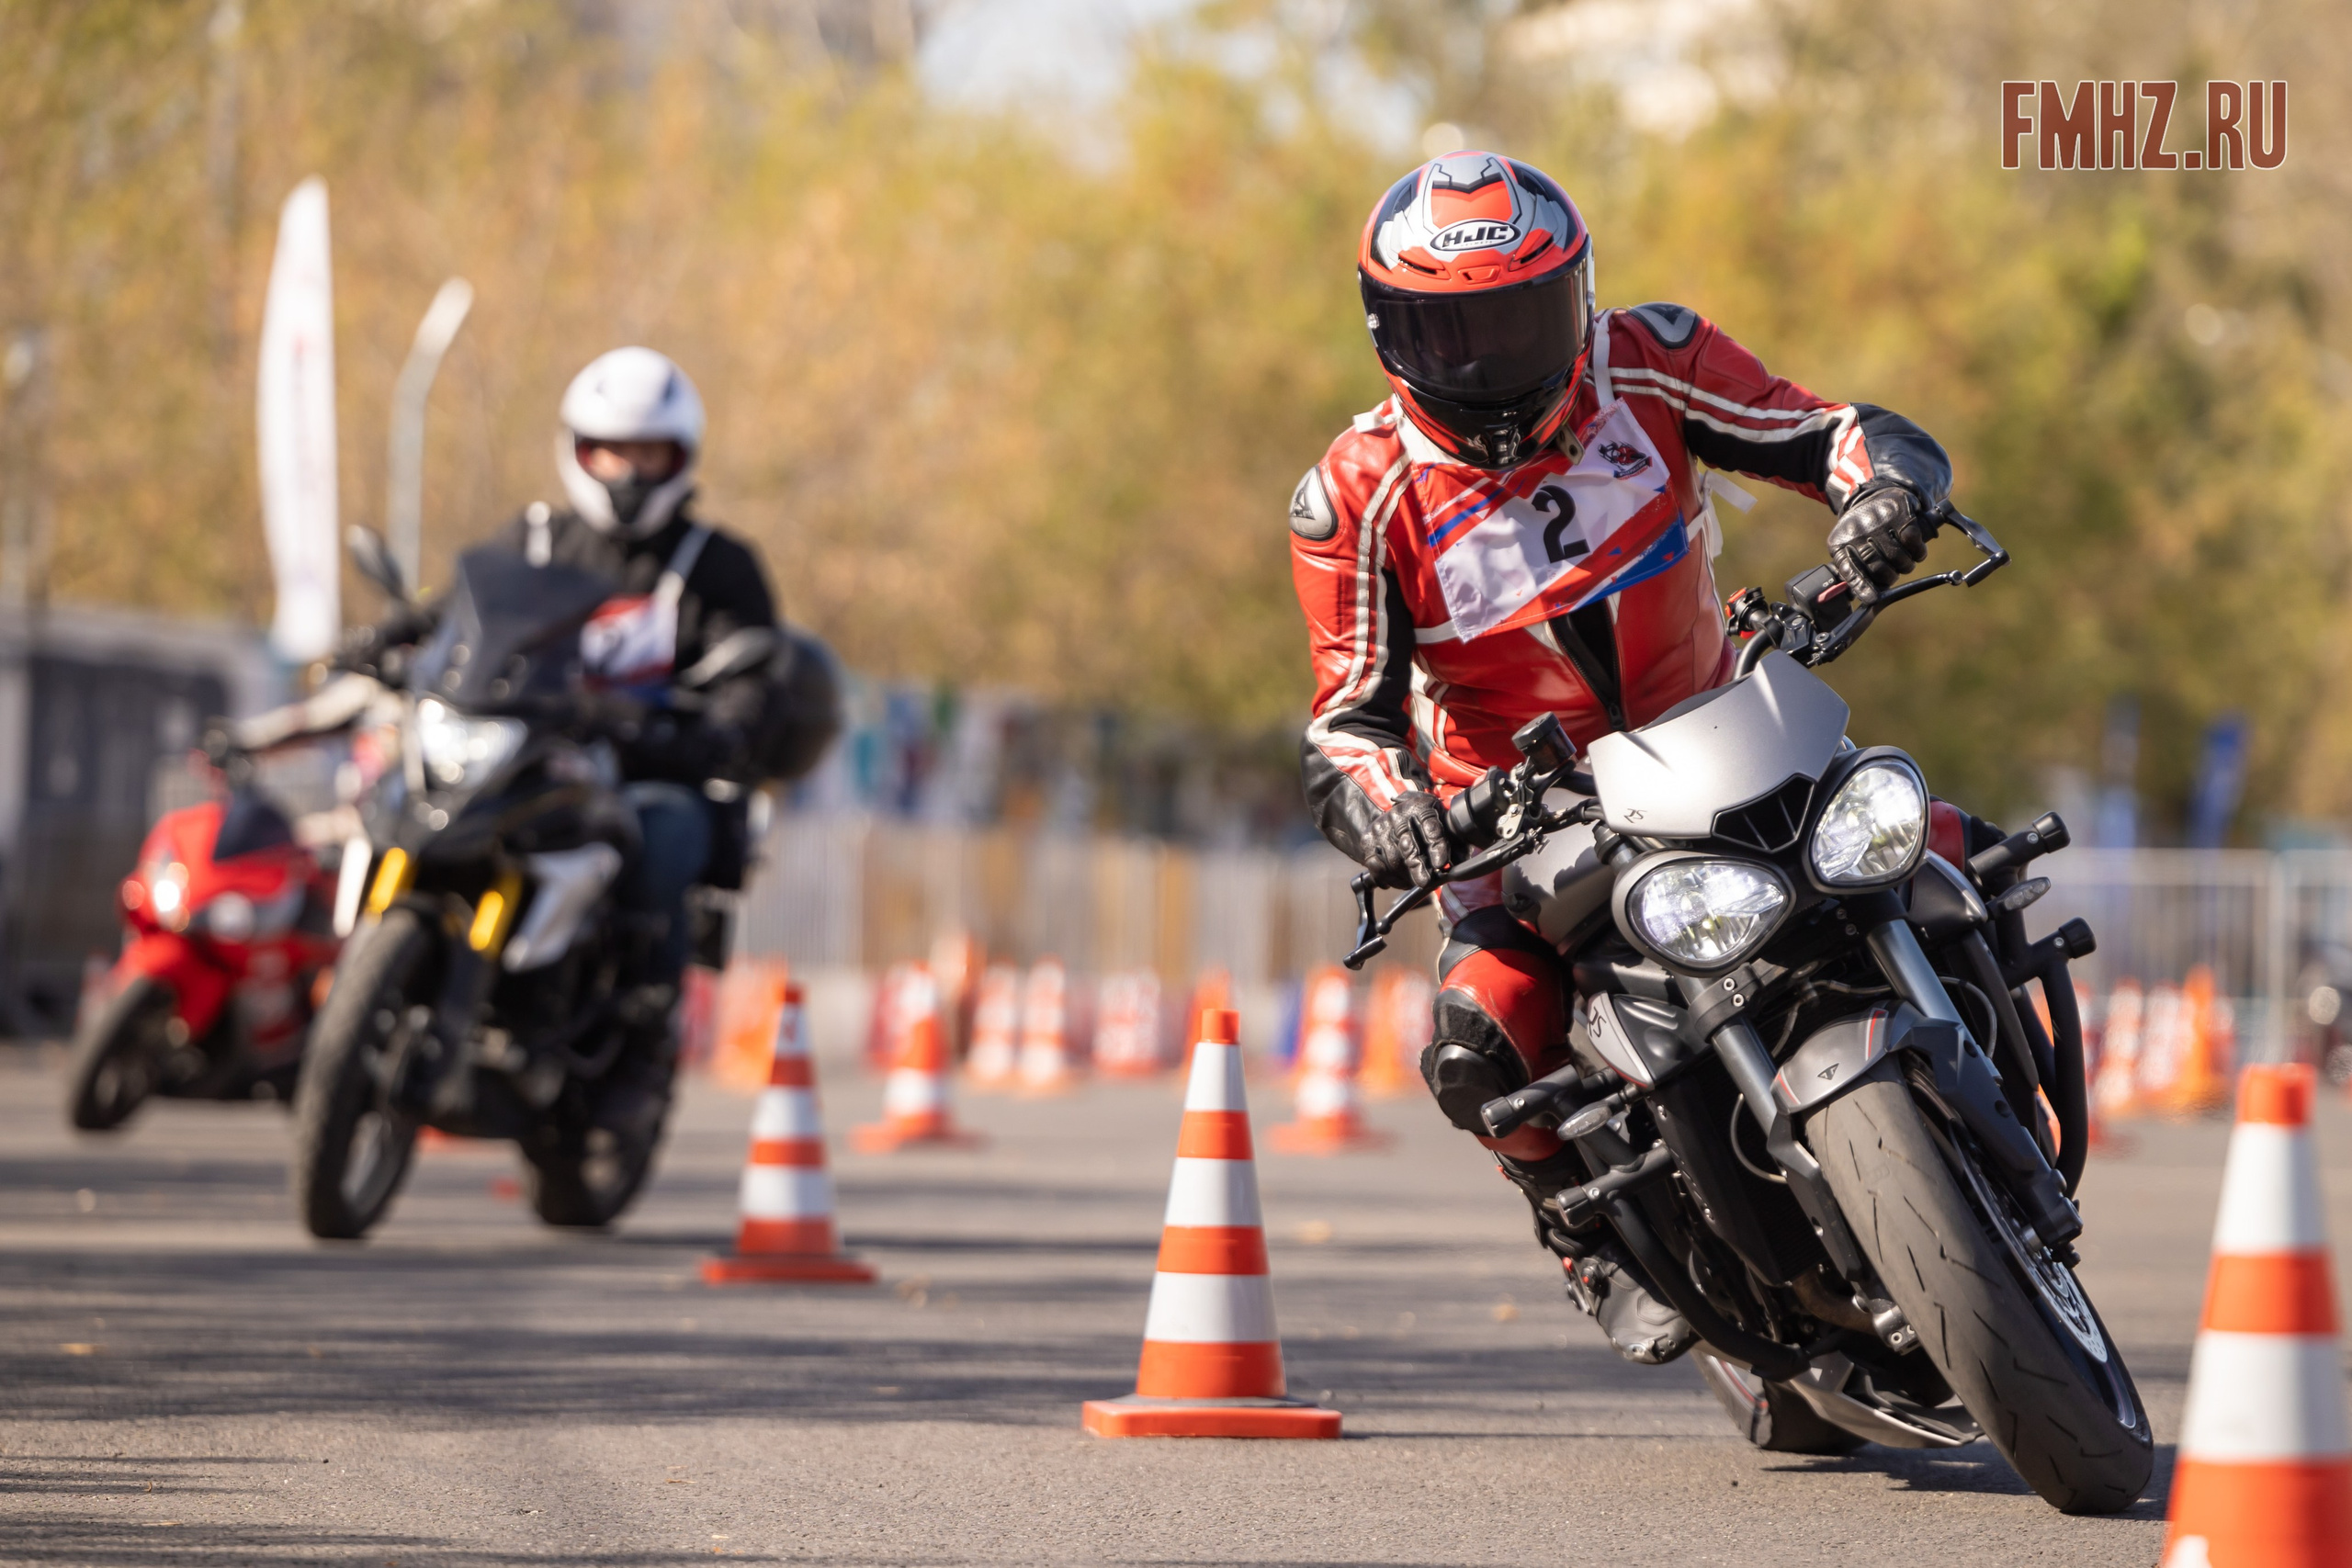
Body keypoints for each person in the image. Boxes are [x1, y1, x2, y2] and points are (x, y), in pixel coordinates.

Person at [1288, 152, 1954, 1364]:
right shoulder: (1357, 495)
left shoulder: (1651, 359)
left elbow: (1824, 431)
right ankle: (1582, 1238)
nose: (1487, 363)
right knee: (1477, 1043)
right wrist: (1398, 819)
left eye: (1517, 320)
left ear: (1581, 294)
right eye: (1450, 334)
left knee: (1941, 844)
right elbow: (1347, 721)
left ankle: (1985, 1048)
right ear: (1388, 332)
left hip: (1728, 730)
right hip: (1522, 823)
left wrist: (1881, 496)